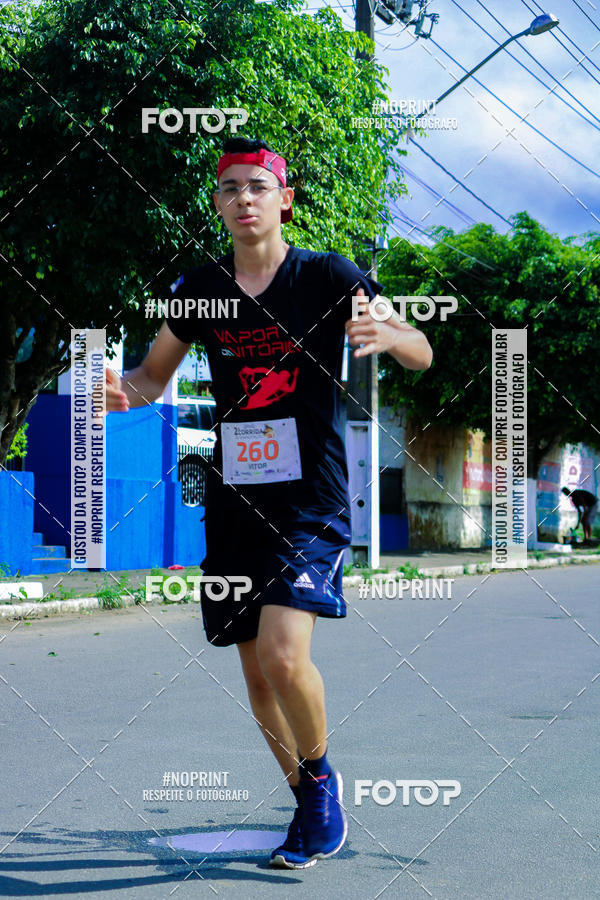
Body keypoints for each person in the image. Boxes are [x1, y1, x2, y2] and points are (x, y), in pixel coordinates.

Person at [105, 136, 433, 869]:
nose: (243, 197)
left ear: (284, 198)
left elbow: (421, 350)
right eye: (229, 188)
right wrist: (116, 394)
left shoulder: (325, 275)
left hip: (311, 498)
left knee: (285, 657)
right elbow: (151, 379)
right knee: (256, 675)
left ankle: (319, 782)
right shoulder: (199, 291)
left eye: (258, 185)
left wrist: (393, 332)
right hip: (235, 502)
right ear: (217, 204)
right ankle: (310, 798)